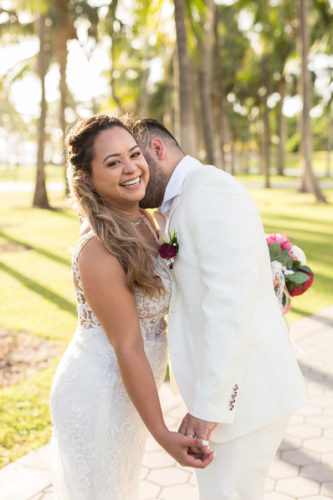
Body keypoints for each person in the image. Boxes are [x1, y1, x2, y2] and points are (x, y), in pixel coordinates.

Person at [130, 118, 308, 500]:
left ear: (157, 149)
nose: (133, 175)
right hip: (234, 396)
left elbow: (229, 305)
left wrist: (209, 407)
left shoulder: (209, 192)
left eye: (135, 158)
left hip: (242, 401)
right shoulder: (179, 201)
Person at [49, 115, 213, 500]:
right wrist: (163, 434)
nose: (131, 168)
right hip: (99, 393)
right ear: (87, 178)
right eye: (113, 162)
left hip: (130, 390)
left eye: (134, 154)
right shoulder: (98, 251)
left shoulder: (141, 217)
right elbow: (128, 346)